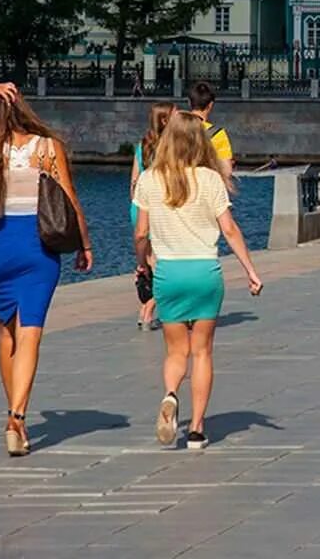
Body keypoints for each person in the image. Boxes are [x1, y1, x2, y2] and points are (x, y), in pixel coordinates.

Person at [0, 82, 93, 456]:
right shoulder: (47, 148)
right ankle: (17, 417)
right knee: (31, 333)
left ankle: (14, 417)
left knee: (7, 333)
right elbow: (69, 198)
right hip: (37, 248)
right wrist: (84, 245)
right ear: (24, 109)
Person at [134, 112, 263, 451]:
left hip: (168, 273)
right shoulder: (210, 179)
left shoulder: (149, 179)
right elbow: (230, 230)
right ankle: (196, 429)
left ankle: (171, 394)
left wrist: (142, 265)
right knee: (202, 351)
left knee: (176, 350)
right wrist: (250, 269)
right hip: (204, 271)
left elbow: (141, 232)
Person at [132, 102, 176, 331]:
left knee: (149, 264)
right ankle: (147, 310)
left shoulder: (143, 144)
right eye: (175, 114)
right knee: (166, 266)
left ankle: (147, 306)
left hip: (140, 207)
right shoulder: (170, 146)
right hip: (161, 209)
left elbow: (133, 181)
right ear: (165, 120)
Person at [186, 81, 234, 184]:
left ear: (189, 102)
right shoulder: (218, 134)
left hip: (180, 185)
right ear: (210, 105)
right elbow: (227, 171)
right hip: (206, 186)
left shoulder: (176, 129)